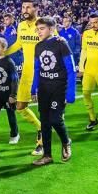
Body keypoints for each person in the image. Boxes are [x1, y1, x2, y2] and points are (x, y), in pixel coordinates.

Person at [30, 17, 75, 166]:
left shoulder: (61, 44)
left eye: (42, 28)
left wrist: (70, 92)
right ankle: (47, 155)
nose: (39, 32)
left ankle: (66, 141)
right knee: (45, 123)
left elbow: (71, 69)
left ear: (51, 28)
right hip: (44, 89)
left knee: (55, 119)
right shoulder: (38, 46)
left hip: (58, 88)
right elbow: (37, 69)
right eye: (37, 29)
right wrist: (33, 88)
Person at [4, 0, 44, 155]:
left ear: (36, 8)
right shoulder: (21, 25)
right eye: (23, 7)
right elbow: (18, 44)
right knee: (20, 106)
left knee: (43, 108)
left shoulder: (43, 24)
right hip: (27, 72)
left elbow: (54, 45)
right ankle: (41, 127)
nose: (25, 9)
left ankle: (42, 143)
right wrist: (2, 53)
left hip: (42, 72)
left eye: (28, 7)